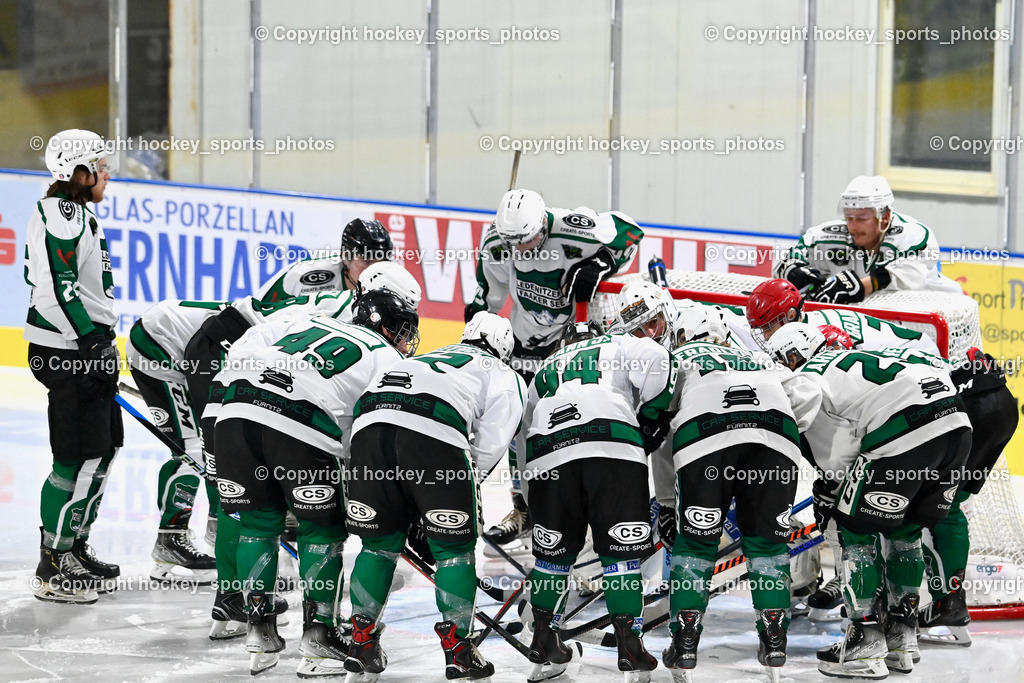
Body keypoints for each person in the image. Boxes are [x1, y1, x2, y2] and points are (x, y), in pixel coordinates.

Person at [213, 290, 419, 677]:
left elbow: (246, 344)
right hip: (300, 423)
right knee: (321, 530)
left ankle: (259, 630)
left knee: (257, 526)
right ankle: (319, 635)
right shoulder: (387, 356)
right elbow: (380, 430)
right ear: (389, 328)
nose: (407, 341)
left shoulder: (308, 320)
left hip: (235, 410)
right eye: (404, 331)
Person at [765, 323, 971, 678]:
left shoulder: (807, 377)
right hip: (958, 425)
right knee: (906, 534)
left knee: (854, 530)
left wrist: (833, 492)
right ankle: (902, 638)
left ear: (792, 356)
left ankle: (865, 643)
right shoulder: (856, 357)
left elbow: (836, 459)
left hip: (906, 431)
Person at [344, 312, 525, 681]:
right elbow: (488, 448)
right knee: (454, 551)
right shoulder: (504, 374)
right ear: (505, 348)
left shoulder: (425, 356)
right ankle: (459, 650)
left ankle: (361, 642)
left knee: (377, 547)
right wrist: (437, 504)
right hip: (433, 433)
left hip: (367, 431)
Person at [466, 188, 643, 551]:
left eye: (529, 240)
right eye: (515, 243)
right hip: (524, 346)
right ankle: (525, 510)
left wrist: (601, 263)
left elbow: (630, 232)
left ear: (543, 226)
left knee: (573, 425)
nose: (523, 249)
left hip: (572, 346)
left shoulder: (574, 227)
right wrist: (477, 321)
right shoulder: (498, 243)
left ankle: (584, 512)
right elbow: (488, 297)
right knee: (517, 427)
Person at [653, 302, 819, 682]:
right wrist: (781, 430)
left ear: (683, 335)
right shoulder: (756, 357)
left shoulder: (678, 360)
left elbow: (663, 432)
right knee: (769, 546)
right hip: (775, 435)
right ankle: (774, 642)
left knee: (696, 545)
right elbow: (808, 390)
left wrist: (666, 503)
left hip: (705, 438)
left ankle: (685, 643)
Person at [520, 289, 675, 682]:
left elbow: (523, 430)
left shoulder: (546, 367)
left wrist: (527, 493)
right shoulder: (622, 343)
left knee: (552, 559)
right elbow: (659, 360)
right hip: (611, 445)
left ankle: (543, 639)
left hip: (547, 454)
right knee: (621, 556)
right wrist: (651, 423)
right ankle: (630, 646)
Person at [25, 129, 122, 604]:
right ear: (77, 172)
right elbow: (55, 290)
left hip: (85, 349)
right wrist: (89, 342)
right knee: (76, 458)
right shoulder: (59, 214)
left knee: (103, 451)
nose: (107, 174)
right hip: (67, 353)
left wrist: (98, 342)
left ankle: (74, 546)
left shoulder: (77, 213)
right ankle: (53, 562)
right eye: (100, 166)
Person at [126, 300, 226, 584]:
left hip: (185, 351)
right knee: (191, 450)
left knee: (219, 442)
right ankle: (170, 540)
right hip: (157, 348)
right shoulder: (252, 344)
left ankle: (219, 529)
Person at [773, 175, 961, 304]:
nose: (853, 226)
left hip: (940, 315)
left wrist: (857, 287)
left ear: (884, 217)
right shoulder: (830, 237)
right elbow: (794, 255)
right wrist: (792, 268)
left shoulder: (913, 234)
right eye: (848, 217)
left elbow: (907, 276)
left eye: (862, 218)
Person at [745, 278, 941, 355]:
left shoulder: (815, 338)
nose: (766, 336)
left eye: (769, 326)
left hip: (920, 357)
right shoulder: (805, 330)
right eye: (761, 328)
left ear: (791, 315)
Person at [255, 218, 393, 302]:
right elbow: (257, 308)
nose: (375, 269)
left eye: (381, 261)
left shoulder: (393, 283)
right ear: (346, 258)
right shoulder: (302, 274)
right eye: (367, 261)